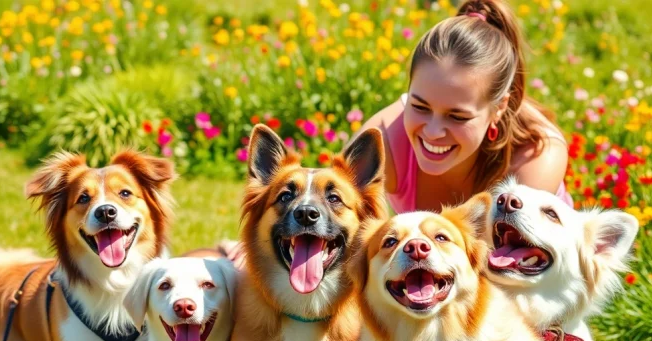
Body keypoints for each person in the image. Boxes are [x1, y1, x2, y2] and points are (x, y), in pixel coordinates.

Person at [221, 0, 569, 267]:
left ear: (499, 108)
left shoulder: (537, 154)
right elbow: (348, 235)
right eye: (419, 106)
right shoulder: (383, 139)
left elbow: (499, 272)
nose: (433, 131)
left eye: (457, 115)